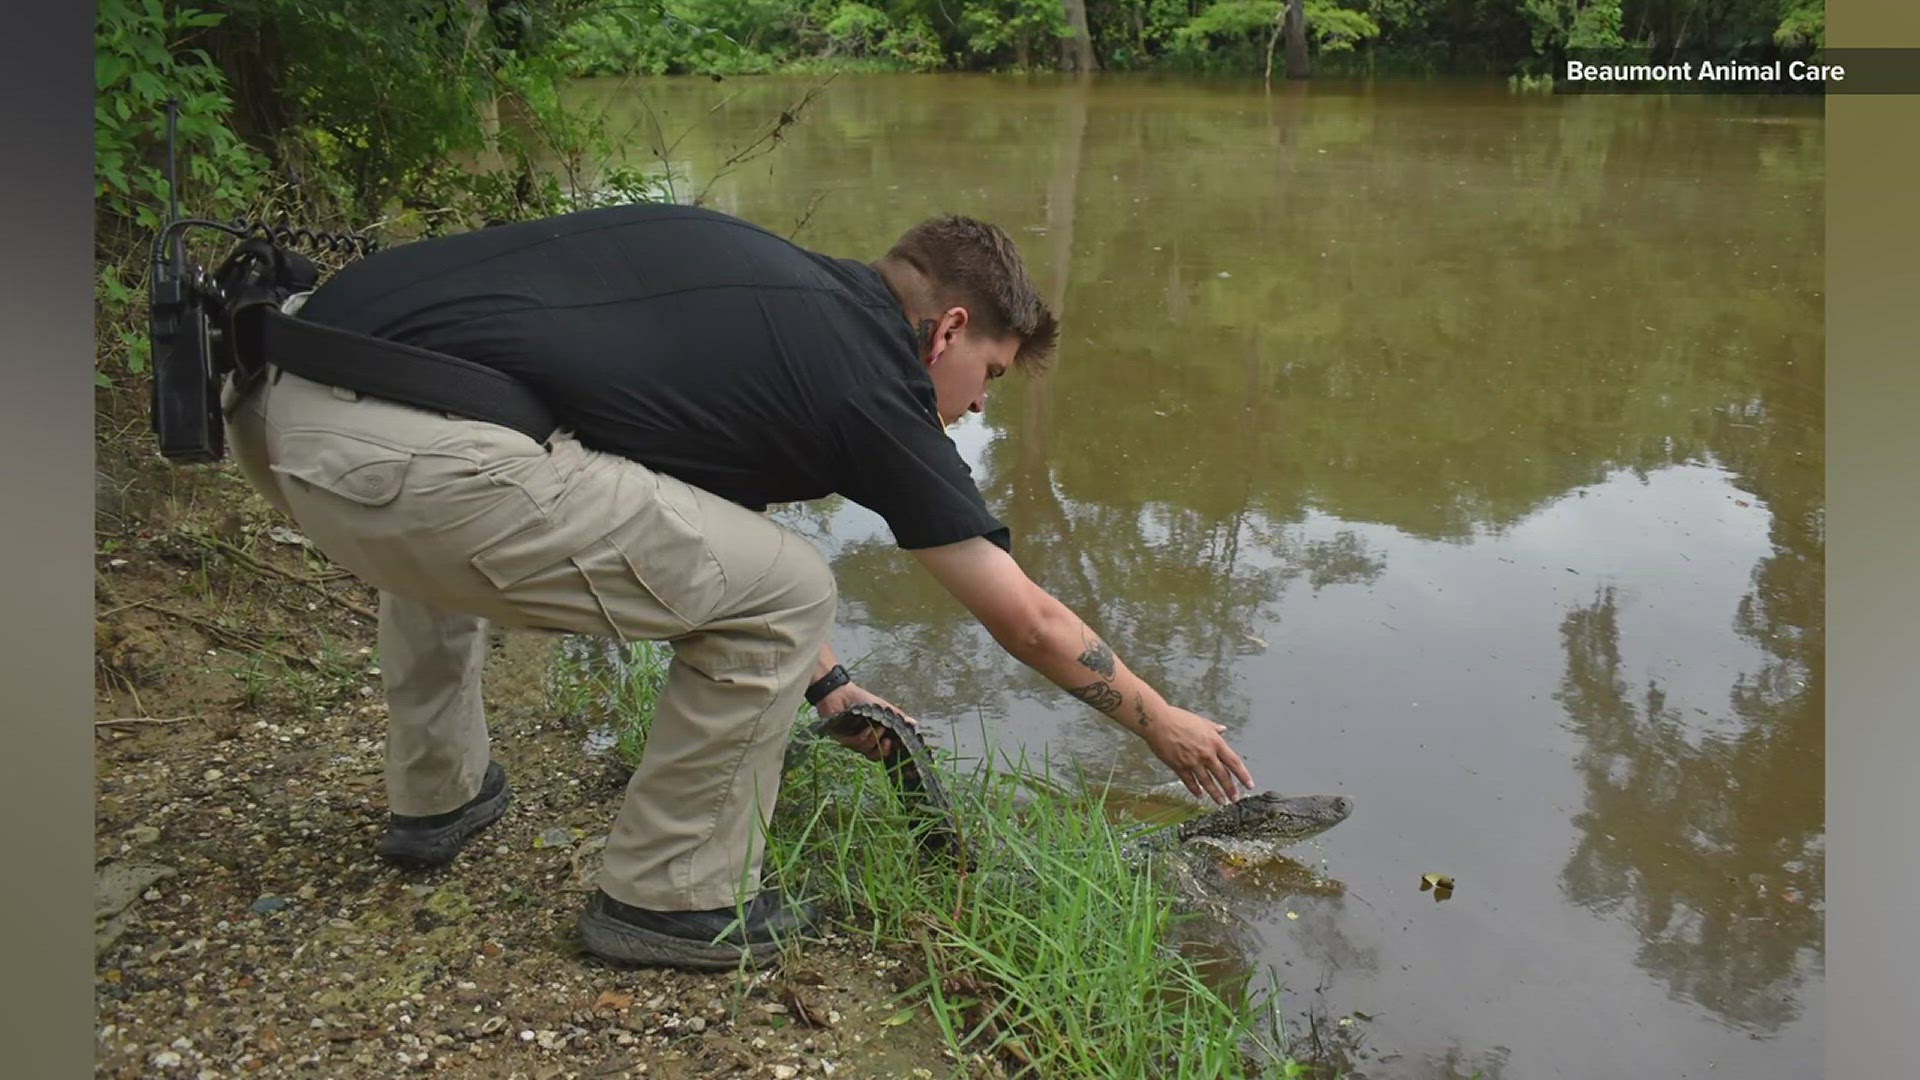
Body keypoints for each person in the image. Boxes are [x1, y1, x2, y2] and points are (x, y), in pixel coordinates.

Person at [223, 202, 1254, 970]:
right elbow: (1025, 620)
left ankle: (437, 797)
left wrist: (830, 687)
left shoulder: (773, 299)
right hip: (407, 462)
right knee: (795, 584)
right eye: (988, 376)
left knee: (476, 496)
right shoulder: (870, 380)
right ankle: (668, 899)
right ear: (945, 331)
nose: (978, 409)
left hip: (281, 405)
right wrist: (1161, 721)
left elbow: (673, 514)